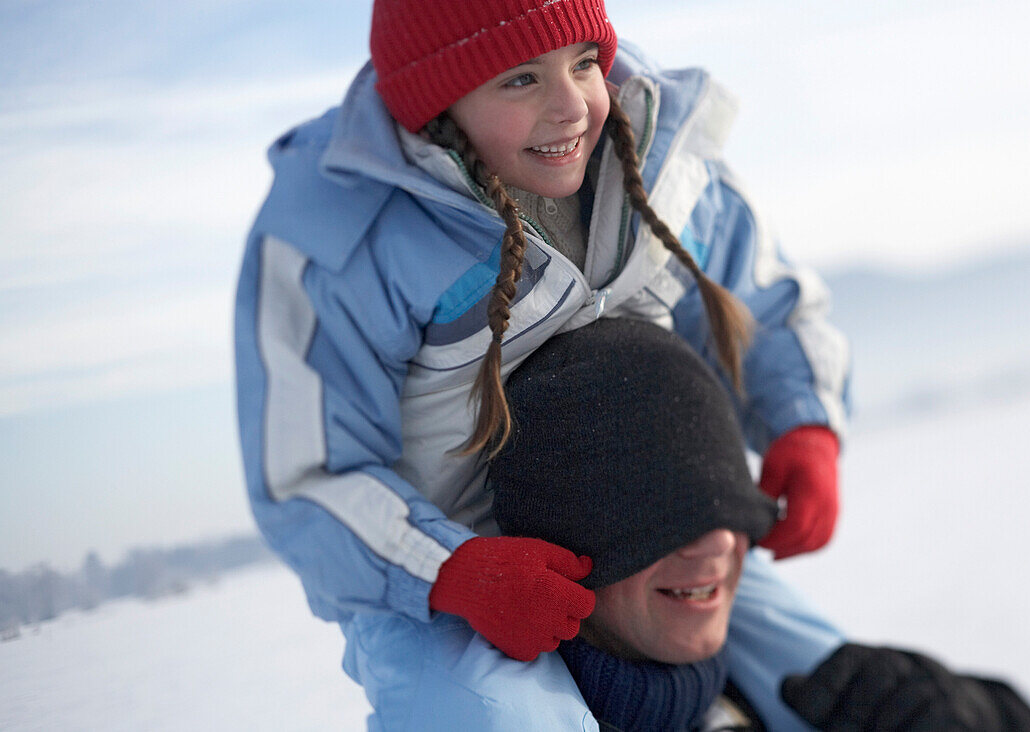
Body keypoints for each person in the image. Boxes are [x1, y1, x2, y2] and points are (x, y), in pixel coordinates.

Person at [234, 0, 848, 728]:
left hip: (647, 542)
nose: (572, 107)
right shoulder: (343, 238)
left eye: (585, 62)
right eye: (520, 80)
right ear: (439, 100)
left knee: (836, 688)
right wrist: (453, 573)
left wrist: (803, 425)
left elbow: (763, 301)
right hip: (447, 576)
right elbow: (308, 475)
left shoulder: (651, 149)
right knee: (496, 716)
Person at [490, 318, 1030, 731]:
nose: (719, 541)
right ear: (558, 547)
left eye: (731, 503)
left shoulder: (803, 689)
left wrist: (968, 714)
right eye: (660, 518)